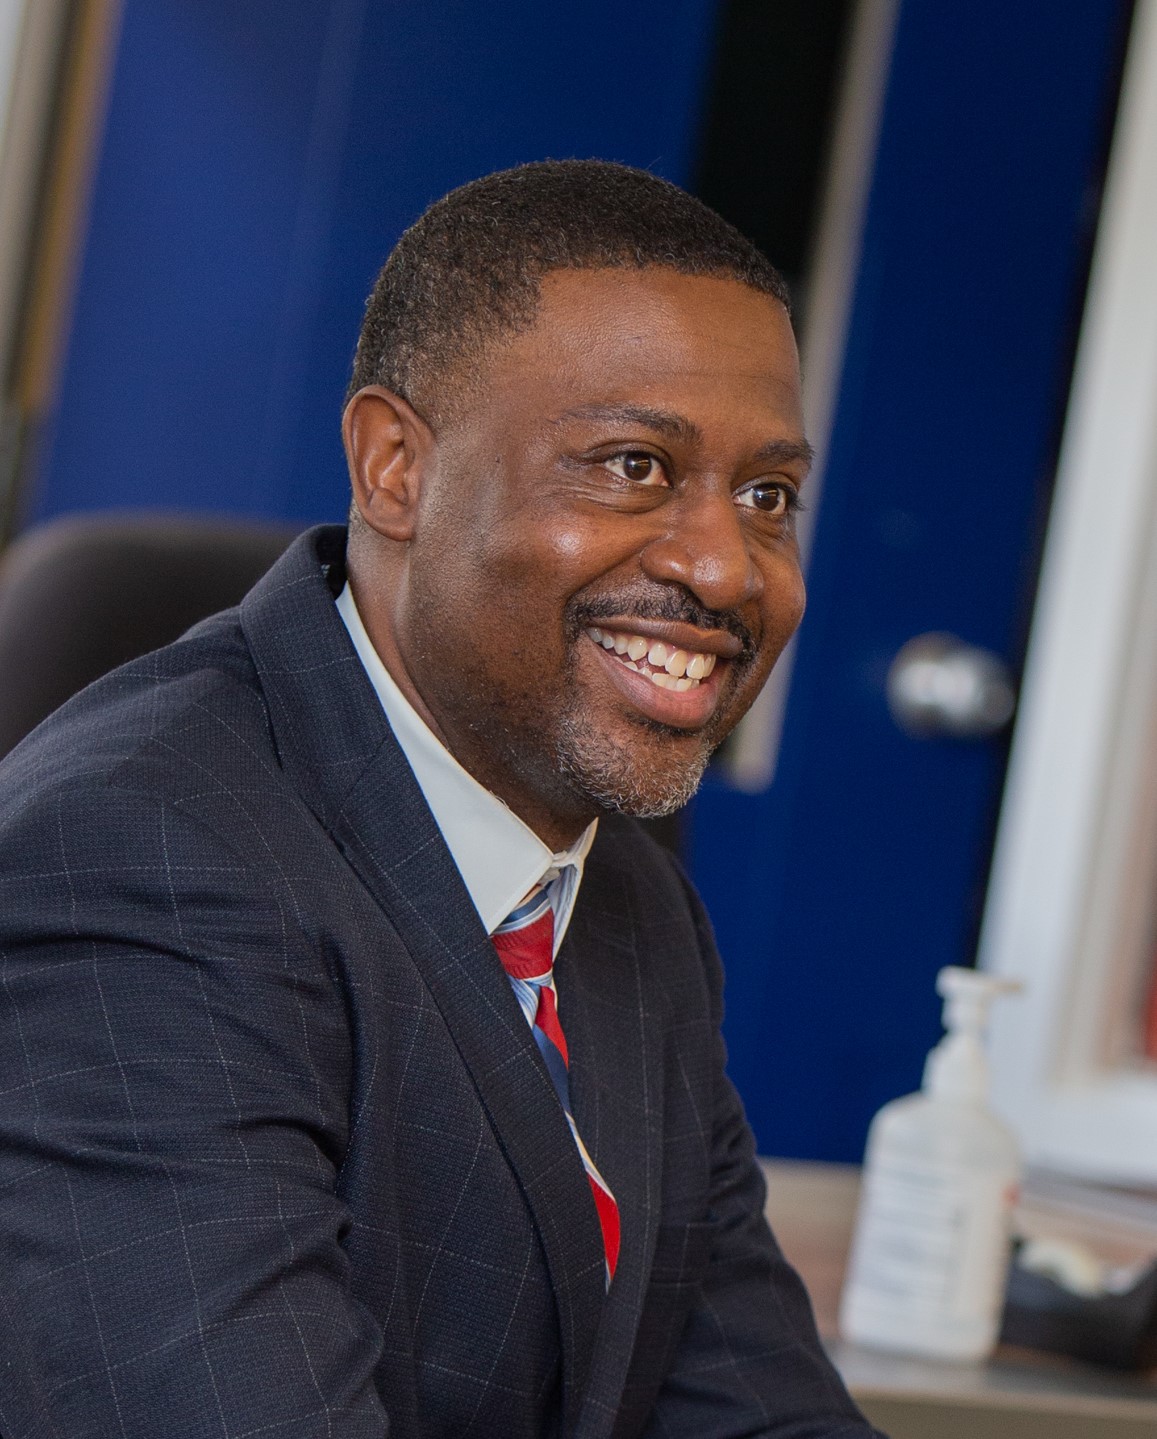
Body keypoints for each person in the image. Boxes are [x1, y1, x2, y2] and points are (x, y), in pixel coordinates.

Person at [0, 161, 883, 1438]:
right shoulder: (140, 863)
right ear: (395, 466)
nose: (721, 564)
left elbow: (743, 1399)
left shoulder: (623, 897)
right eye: (633, 464)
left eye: (766, 497)